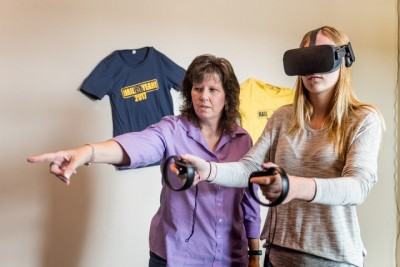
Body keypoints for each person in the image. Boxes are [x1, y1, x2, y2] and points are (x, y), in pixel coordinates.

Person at [177, 26, 386, 267]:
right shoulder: (282, 118)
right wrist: (208, 171)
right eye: (305, 59)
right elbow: (249, 169)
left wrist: (294, 187)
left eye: (321, 57)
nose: (312, 68)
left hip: (332, 257)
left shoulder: (363, 119)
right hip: (278, 256)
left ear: (344, 58)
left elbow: (358, 187)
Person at [27, 54, 262, 267]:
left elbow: (249, 202)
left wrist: (254, 255)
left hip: (229, 258)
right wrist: (86, 153)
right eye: (197, 88)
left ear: (227, 96)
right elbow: (137, 144)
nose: (204, 97)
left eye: (213, 89)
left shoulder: (242, 140)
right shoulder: (172, 129)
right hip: (174, 256)